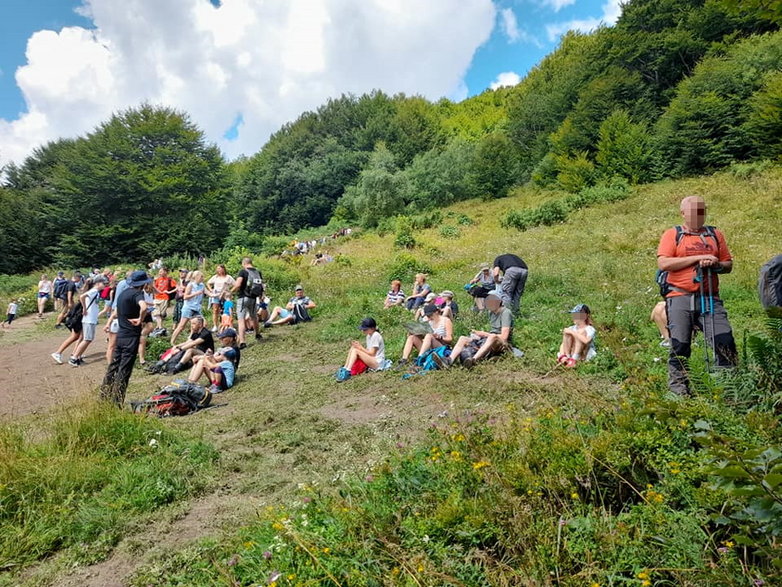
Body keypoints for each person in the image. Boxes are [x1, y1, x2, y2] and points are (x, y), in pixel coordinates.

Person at [657, 195, 736, 396]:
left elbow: (728, 264)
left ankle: (730, 389)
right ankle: (679, 392)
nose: (698, 215)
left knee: (724, 340)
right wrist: (699, 258)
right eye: (693, 212)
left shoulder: (715, 234)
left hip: (710, 298)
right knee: (680, 345)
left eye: (702, 211)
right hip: (679, 296)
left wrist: (716, 264)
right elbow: (664, 263)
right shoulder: (673, 234)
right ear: (683, 213)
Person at [101, 270, 151, 405]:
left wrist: (109, 322)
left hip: (121, 335)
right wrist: (140, 319)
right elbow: (144, 306)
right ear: (143, 284)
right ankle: (117, 403)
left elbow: (116, 311)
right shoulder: (138, 293)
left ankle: (103, 396)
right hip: (131, 337)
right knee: (124, 370)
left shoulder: (122, 293)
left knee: (113, 366)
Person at [436, 291, 513, 369]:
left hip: (502, 342)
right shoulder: (491, 313)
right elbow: (436, 303)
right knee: (463, 338)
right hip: (490, 338)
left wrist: (484, 334)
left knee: (492, 336)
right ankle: (449, 360)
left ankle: (473, 360)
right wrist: (479, 334)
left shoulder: (506, 313)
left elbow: (504, 337)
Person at [69, 276, 108, 366]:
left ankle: (77, 357)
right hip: (89, 319)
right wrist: (85, 309)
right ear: (98, 283)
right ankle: (74, 358)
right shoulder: (94, 291)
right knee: (88, 339)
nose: (105, 285)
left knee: (84, 338)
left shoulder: (96, 292)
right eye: (103, 284)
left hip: (91, 318)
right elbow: (82, 296)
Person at [335, 317, 386, 381]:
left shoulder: (376, 335)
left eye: (365, 329)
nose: (363, 331)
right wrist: (358, 347)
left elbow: (372, 354)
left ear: (372, 328)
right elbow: (368, 351)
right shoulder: (369, 335)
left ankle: (348, 371)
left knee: (356, 350)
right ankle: (345, 368)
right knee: (354, 347)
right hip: (372, 359)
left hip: (377, 362)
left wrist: (360, 348)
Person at [232, 257, 264, 348]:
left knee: (241, 319)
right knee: (254, 317)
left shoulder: (243, 271)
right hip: (253, 298)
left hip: (243, 298)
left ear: (244, 263)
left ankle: (242, 342)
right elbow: (261, 286)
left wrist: (230, 291)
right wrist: (261, 297)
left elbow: (238, 284)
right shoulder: (258, 272)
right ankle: (257, 334)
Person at [170, 270, 206, 344]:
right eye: (201, 276)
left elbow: (209, 293)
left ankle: (190, 340)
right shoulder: (190, 285)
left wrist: (216, 294)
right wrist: (196, 293)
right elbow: (185, 297)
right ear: (197, 277)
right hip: (188, 307)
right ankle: (172, 341)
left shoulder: (202, 285)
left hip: (196, 308)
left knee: (202, 324)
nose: (203, 278)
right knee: (181, 326)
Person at [206, 264, 235, 332]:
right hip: (216, 294)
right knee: (215, 310)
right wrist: (211, 290)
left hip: (225, 295)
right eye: (217, 269)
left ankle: (228, 324)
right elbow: (208, 283)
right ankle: (215, 325)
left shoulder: (228, 277)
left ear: (223, 269)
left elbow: (235, 284)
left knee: (227, 309)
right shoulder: (215, 277)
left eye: (220, 268)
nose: (218, 270)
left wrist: (230, 291)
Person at [151, 267, 177, 335]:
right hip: (157, 298)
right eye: (159, 271)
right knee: (156, 313)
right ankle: (160, 328)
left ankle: (158, 327)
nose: (159, 273)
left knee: (162, 314)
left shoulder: (169, 279)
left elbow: (177, 287)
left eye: (161, 271)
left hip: (164, 298)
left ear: (165, 272)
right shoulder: (157, 279)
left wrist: (169, 292)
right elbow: (154, 288)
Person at [137, 282, 156, 365]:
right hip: (143, 312)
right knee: (146, 328)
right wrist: (151, 304)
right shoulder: (142, 292)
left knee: (150, 327)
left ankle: (142, 337)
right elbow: (142, 302)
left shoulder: (151, 293)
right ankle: (141, 338)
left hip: (149, 312)